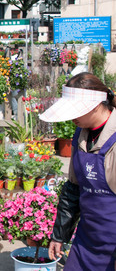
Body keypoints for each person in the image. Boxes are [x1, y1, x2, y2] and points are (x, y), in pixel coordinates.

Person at [39, 72, 116, 270]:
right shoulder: (80, 136)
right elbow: (73, 190)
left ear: (97, 105)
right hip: (86, 240)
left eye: (76, 111)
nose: (71, 118)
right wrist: (60, 235)